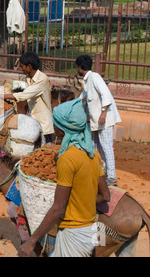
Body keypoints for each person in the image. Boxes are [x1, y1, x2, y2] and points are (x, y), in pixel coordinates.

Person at [19, 98, 110, 257]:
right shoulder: (93, 155)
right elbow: (105, 196)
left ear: (63, 128)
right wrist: (81, 202)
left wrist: (32, 241)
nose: (53, 126)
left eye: (56, 123)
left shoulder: (67, 159)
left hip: (73, 234)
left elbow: (58, 208)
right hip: (89, 230)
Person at [76, 54, 121, 186]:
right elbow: (81, 99)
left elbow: (105, 94)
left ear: (80, 67)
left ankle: (112, 177)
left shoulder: (94, 77)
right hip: (94, 121)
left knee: (106, 146)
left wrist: (103, 113)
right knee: (95, 146)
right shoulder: (87, 81)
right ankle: (100, 172)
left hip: (104, 119)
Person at [0, 51, 55, 143]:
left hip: (43, 122)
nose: (21, 69)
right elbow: (24, 86)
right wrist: (7, 83)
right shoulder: (29, 78)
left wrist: (0, 96)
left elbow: (24, 95)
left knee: (45, 150)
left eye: (22, 66)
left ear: (29, 67)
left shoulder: (42, 80)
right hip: (33, 120)